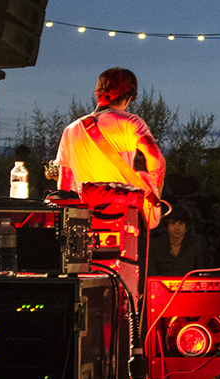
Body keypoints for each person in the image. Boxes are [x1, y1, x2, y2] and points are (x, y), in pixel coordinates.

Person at [55, 67, 166, 224]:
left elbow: (65, 185)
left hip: (87, 220)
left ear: (98, 93)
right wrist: (154, 195)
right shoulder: (131, 123)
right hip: (124, 217)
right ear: (129, 97)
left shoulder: (70, 130)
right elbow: (155, 157)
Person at [148, 208, 208, 276]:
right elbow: (151, 275)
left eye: (181, 223)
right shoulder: (156, 246)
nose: (177, 228)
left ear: (186, 226)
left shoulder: (197, 243)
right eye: (173, 223)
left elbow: (202, 272)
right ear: (167, 225)